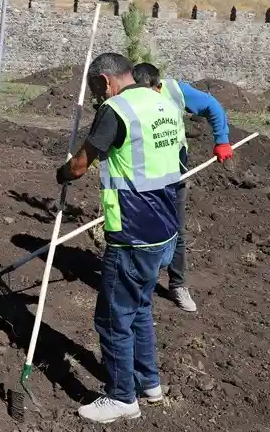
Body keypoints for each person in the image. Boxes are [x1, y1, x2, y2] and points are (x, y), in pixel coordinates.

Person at [56, 52, 185, 425]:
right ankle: (149, 384)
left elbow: (80, 166)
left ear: (104, 81)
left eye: (96, 89)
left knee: (113, 319)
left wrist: (63, 172)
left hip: (133, 232)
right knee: (140, 308)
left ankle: (121, 398)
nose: (97, 96)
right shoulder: (163, 103)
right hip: (165, 228)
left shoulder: (117, 110)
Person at [131, 62, 233, 313]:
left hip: (175, 172)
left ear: (157, 86)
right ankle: (139, 281)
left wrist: (221, 140)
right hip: (141, 175)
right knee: (141, 229)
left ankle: (178, 284)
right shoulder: (127, 98)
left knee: (176, 229)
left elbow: (212, 106)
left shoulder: (175, 91)